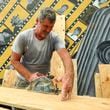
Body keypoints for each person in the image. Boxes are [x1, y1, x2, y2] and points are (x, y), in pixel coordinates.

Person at [11, 7, 74, 101]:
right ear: (37, 21)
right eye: (45, 26)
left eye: (51, 27)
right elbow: (14, 61)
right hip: (23, 80)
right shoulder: (23, 37)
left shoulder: (54, 38)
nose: (48, 30)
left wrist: (68, 75)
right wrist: (30, 76)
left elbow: (66, 57)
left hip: (42, 82)